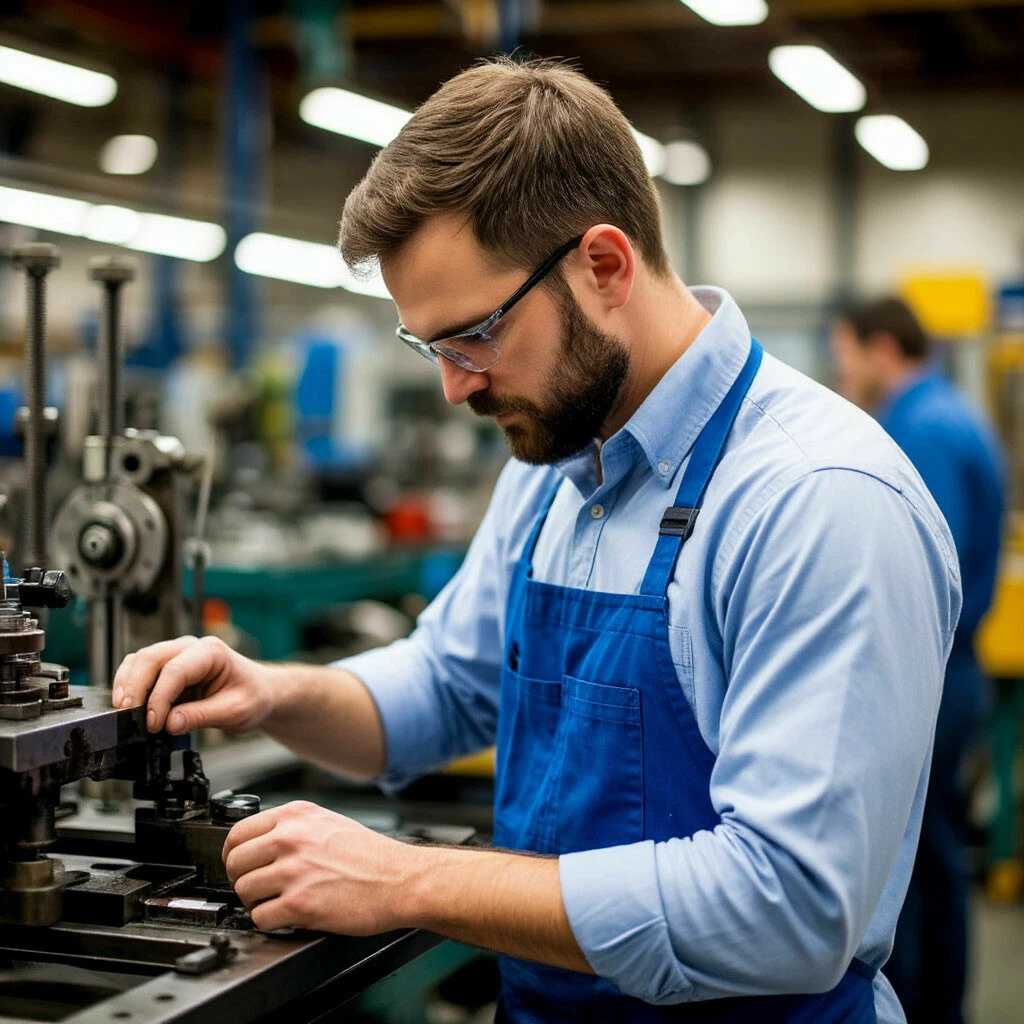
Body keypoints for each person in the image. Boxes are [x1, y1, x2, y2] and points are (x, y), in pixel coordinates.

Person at [114, 59, 961, 1023]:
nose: (455, 387)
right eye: (431, 349)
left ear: (604, 266)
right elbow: (448, 684)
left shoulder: (817, 500)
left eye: (474, 335)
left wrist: (407, 880)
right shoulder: (557, 464)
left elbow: (787, 911)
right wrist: (271, 693)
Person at [832, 297, 1005, 1024]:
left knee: (904, 870)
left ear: (880, 348)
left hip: (928, 682)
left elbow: (918, 574)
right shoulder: (950, 412)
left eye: (845, 354)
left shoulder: (921, 429)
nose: (842, 373)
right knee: (934, 860)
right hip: (952, 676)